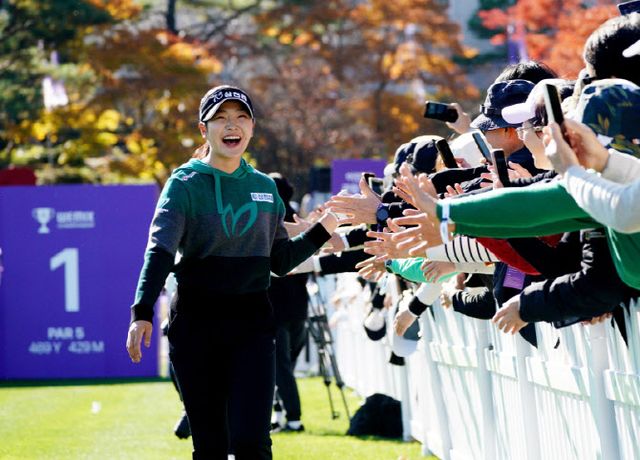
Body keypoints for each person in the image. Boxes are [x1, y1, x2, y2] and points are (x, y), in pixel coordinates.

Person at [125, 85, 338, 460]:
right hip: (196, 325)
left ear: (252, 127)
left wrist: (322, 231)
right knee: (211, 446)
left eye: (241, 117)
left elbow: (280, 262)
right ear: (203, 129)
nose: (231, 125)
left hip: (252, 326)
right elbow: (159, 250)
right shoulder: (183, 184)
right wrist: (142, 312)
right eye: (220, 118)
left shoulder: (265, 187)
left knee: (253, 443)